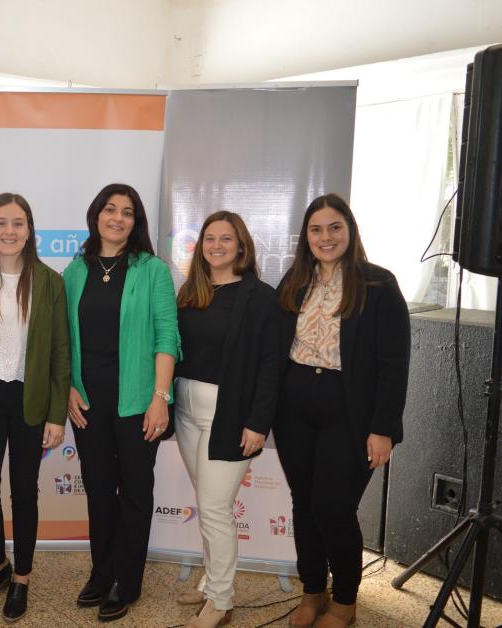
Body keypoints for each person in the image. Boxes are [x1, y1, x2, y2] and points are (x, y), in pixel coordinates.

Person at [275, 194, 410, 628]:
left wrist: (383, 428)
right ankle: (313, 590)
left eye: (335, 227)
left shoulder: (378, 284)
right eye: (316, 229)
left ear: (350, 231)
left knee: (332, 507)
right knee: (303, 504)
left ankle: (346, 599)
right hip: (293, 407)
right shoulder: (295, 281)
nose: (325, 237)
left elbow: (394, 363)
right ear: (306, 237)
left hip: (349, 412)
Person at [64, 183, 179, 622]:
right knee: (97, 490)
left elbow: (167, 336)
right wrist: (69, 387)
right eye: (110, 209)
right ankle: (101, 572)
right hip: (87, 401)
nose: (117, 218)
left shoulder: (153, 270)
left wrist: (160, 398)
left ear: (136, 222)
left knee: (135, 490)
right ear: (96, 215)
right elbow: (65, 339)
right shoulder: (75, 270)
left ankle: (126, 581)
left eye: (127, 212)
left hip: (137, 400)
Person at [173, 211, 280, 627]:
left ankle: (221, 599)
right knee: (207, 501)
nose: (216, 245)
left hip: (230, 415)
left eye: (226, 238)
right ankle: (210, 582)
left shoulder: (260, 297)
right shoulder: (191, 291)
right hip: (185, 408)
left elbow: (271, 366)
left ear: (241, 245)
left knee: (214, 506)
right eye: (209, 238)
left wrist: (257, 423)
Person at [0, 193, 70, 622]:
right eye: (0, 223)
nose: (9, 231)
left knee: (25, 492)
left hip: (31, 401)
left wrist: (57, 414)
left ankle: (22, 577)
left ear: (30, 230)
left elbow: (62, 351)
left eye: (18, 223)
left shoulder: (49, 281)